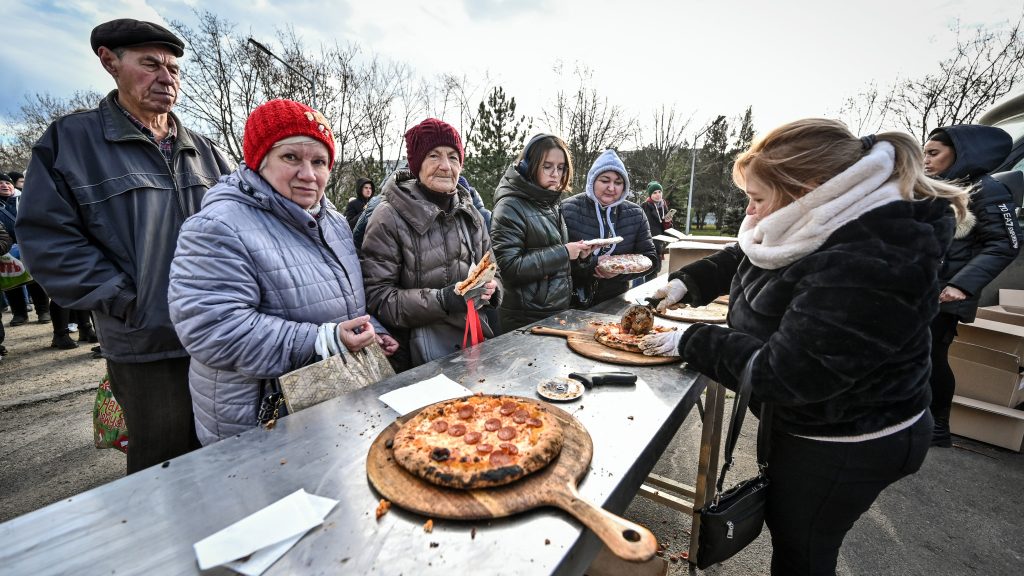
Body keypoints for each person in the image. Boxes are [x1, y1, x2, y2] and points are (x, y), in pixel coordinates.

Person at [639, 119, 969, 575]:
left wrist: (691, 339)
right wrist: (688, 282)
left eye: (757, 199)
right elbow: (752, 249)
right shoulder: (828, 212)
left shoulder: (876, 251)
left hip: (848, 438)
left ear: (807, 189)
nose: (750, 212)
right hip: (816, 424)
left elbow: (791, 373)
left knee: (803, 550)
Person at [16, 18, 234, 473]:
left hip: (218, 335)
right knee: (164, 465)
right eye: (151, 64)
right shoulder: (70, 142)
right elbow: (47, 241)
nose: (166, 78)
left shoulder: (206, 150)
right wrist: (125, 301)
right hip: (147, 342)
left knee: (228, 452)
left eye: (174, 69)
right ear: (110, 62)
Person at [168, 99, 397, 445]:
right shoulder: (217, 226)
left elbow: (341, 301)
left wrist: (370, 331)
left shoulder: (332, 222)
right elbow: (211, 329)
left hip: (327, 407)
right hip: (261, 418)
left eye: (319, 162)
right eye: (291, 157)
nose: (308, 174)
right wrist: (324, 340)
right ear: (259, 161)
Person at [361, 118, 501, 371]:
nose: (446, 166)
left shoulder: (472, 215)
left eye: (453, 157)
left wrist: (492, 289)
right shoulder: (388, 217)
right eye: (434, 156)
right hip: (417, 359)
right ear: (417, 164)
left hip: (474, 345)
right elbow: (378, 298)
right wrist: (444, 300)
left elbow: (492, 268)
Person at [923, 125, 1021, 447]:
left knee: (933, 356)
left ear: (960, 153)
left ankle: (938, 427)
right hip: (919, 289)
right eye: (924, 152)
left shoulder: (987, 190)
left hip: (947, 292)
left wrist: (961, 286)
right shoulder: (940, 186)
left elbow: (1005, 244)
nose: (926, 159)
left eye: (933, 153)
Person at [490, 134, 590, 332]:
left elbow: (551, 259)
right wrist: (563, 253)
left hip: (553, 312)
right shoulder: (509, 206)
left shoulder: (549, 201)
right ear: (529, 166)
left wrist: (578, 256)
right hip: (525, 319)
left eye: (560, 167)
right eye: (547, 166)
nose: (555, 173)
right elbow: (508, 268)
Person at [561, 149, 659, 308]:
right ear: (592, 180)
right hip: (571, 302)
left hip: (616, 301)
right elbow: (555, 259)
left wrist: (620, 271)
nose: (611, 188)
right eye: (605, 180)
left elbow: (651, 259)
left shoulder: (635, 214)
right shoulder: (567, 210)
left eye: (618, 182)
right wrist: (592, 264)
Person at [1, 172, 50, 326]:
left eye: (8, 183)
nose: (5, 185)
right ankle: (19, 313)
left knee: (35, 279)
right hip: (6, 249)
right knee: (12, 281)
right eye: (1, 183)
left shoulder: (24, 198)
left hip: (29, 245)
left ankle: (43, 310)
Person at [642, 181, 671, 257]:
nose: (658, 194)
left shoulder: (664, 206)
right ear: (650, 195)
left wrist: (667, 222)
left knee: (658, 267)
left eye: (659, 192)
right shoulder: (644, 206)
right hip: (647, 244)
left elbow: (668, 229)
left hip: (660, 244)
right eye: (654, 193)